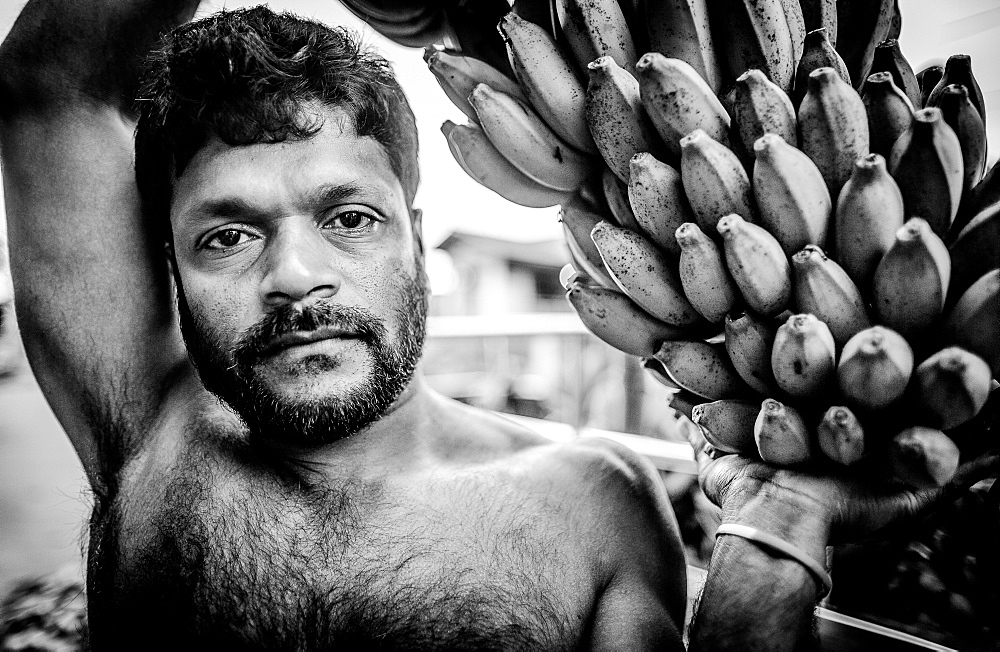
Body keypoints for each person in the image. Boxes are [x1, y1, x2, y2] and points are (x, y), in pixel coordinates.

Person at [1, 1, 993, 650]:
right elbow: (50, 83)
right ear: (165, 268)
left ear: (416, 240)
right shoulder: (148, 424)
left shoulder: (587, 504)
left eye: (348, 218)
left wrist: (776, 532)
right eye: (226, 237)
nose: (294, 277)